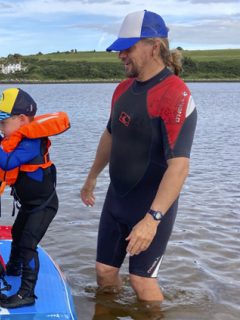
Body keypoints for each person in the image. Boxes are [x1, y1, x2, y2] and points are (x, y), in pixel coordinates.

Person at [80, 10, 197, 302]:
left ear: (153, 47)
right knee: (105, 272)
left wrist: (153, 219)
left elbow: (179, 166)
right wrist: (92, 177)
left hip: (150, 204)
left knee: (141, 282)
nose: (121, 55)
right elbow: (110, 135)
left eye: (128, 48)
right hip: (117, 198)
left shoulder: (176, 95)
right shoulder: (122, 89)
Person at [0, 88, 69, 308]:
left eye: (3, 122)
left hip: (43, 206)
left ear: (21, 120)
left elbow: (8, 162)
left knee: (28, 243)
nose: (0, 127)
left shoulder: (32, 142)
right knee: (18, 234)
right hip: (30, 204)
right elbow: (6, 146)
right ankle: (13, 267)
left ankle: (26, 293)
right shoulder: (20, 138)